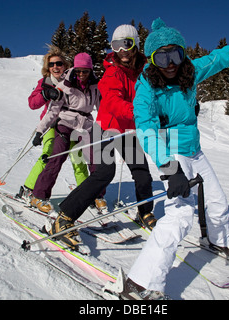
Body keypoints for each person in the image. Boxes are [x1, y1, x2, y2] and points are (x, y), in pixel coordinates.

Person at [121, 18, 229, 299]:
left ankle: (218, 240)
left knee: (217, 202)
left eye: (175, 54)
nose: (170, 63)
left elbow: (223, 56)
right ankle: (140, 282)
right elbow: (146, 129)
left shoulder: (191, 71)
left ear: (183, 53)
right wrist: (170, 169)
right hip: (170, 147)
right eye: (161, 57)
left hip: (194, 148)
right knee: (181, 214)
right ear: (152, 60)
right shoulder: (147, 85)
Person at [49, 24, 156, 250]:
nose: (121, 51)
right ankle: (64, 217)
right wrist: (142, 115)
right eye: (115, 45)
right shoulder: (111, 72)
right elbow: (114, 103)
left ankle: (145, 212)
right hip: (106, 127)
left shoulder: (146, 71)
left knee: (142, 172)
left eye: (126, 44)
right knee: (105, 172)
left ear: (136, 43)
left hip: (128, 131)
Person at [30, 53, 103, 215]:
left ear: (90, 70)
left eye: (85, 71)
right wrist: (39, 131)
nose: (81, 75)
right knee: (57, 157)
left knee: (94, 158)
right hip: (65, 123)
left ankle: (96, 194)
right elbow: (52, 111)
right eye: (78, 71)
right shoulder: (65, 85)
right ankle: (39, 195)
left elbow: (102, 109)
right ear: (74, 69)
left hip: (85, 125)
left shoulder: (95, 86)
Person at [20, 46, 88, 207]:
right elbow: (32, 103)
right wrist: (45, 94)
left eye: (59, 63)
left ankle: (87, 192)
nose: (55, 67)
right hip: (51, 125)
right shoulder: (45, 82)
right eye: (51, 65)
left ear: (65, 65)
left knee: (77, 158)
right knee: (48, 153)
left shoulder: (73, 80)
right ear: (47, 67)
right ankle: (29, 189)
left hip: (72, 125)